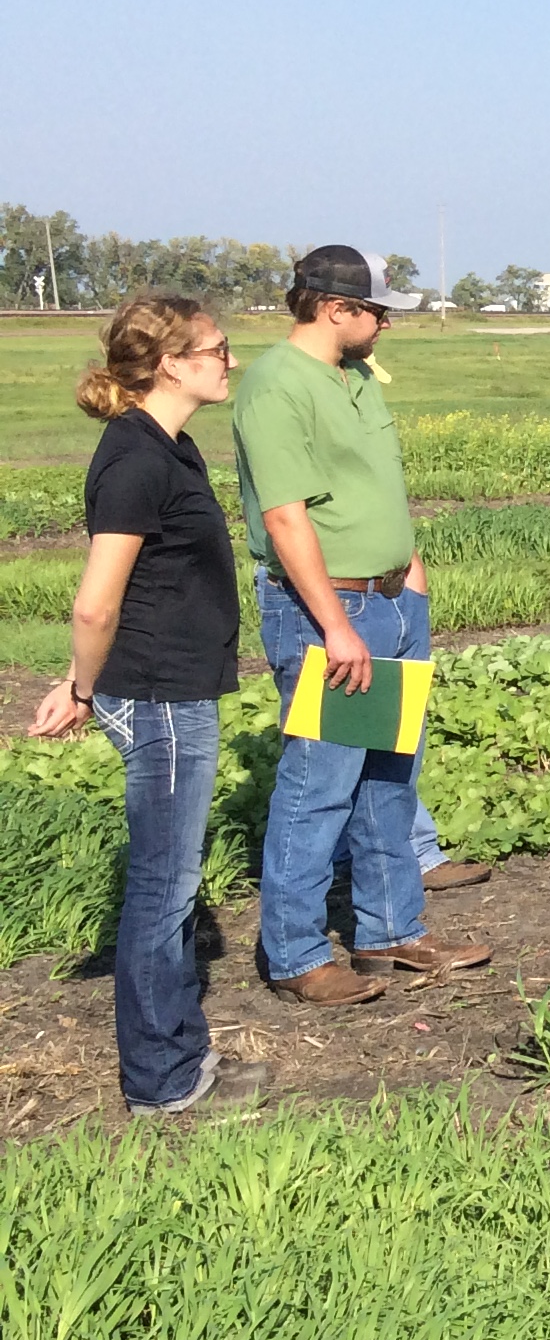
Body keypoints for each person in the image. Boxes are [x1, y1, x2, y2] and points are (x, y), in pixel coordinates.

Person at [30, 295, 269, 1111]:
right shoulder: (137, 459)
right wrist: (82, 687)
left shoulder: (171, 446)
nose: (229, 360)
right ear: (171, 362)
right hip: (159, 694)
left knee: (171, 885)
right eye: (217, 347)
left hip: (176, 687)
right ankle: (163, 1080)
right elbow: (97, 602)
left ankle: (178, 1061)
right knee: (164, 890)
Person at [233, 246, 488, 1005]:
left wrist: (408, 576)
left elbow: (372, 487)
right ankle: (297, 956)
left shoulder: (353, 378)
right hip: (331, 612)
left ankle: (391, 933)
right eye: (377, 311)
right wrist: (335, 624)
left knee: (388, 776)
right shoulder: (278, 385)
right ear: (332, 307)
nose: (385, 323)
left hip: (391, 601)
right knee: (320, 786)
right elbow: (286, 516)